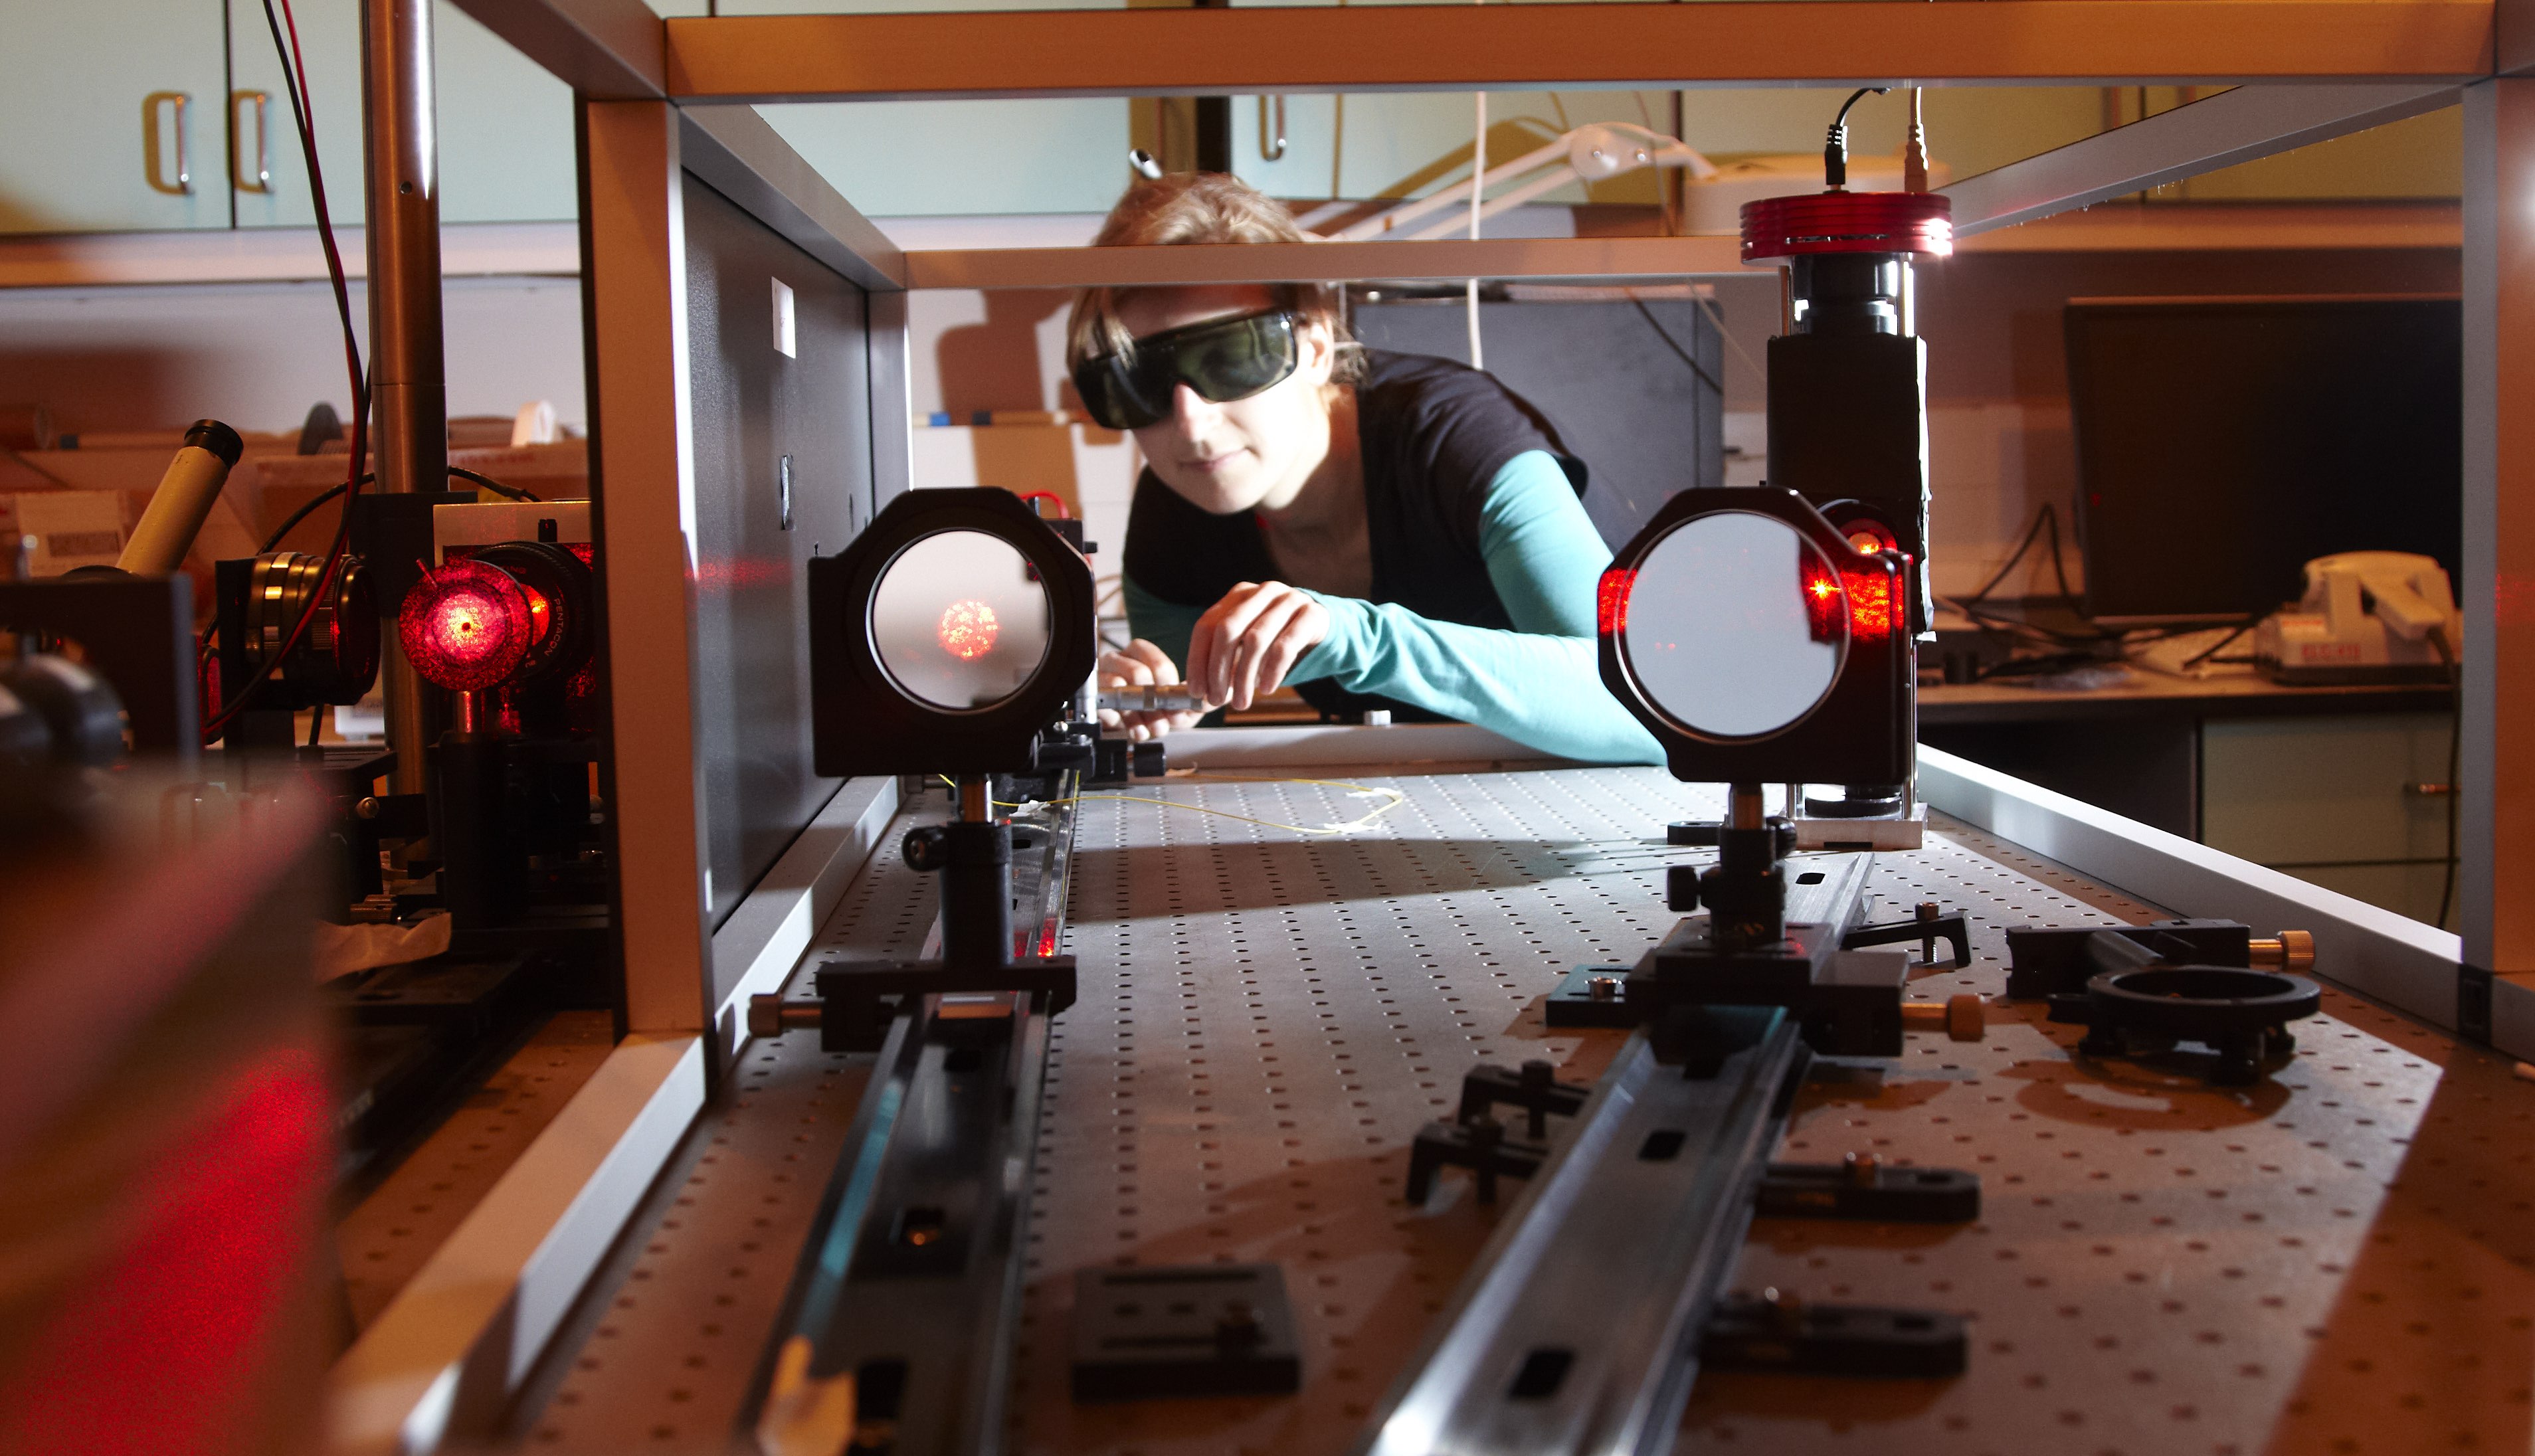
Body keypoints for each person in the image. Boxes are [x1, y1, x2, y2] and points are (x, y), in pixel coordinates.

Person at [1066, 173, 1661, 766]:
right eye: (1136, 383)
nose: (1190, 424)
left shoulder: (1461, 441)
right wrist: (1147, 712)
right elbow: (1182, 733)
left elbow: (1644, 706)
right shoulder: (1179, 506)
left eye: (1229, 359)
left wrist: (1358, 637)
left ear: (1317, 346)